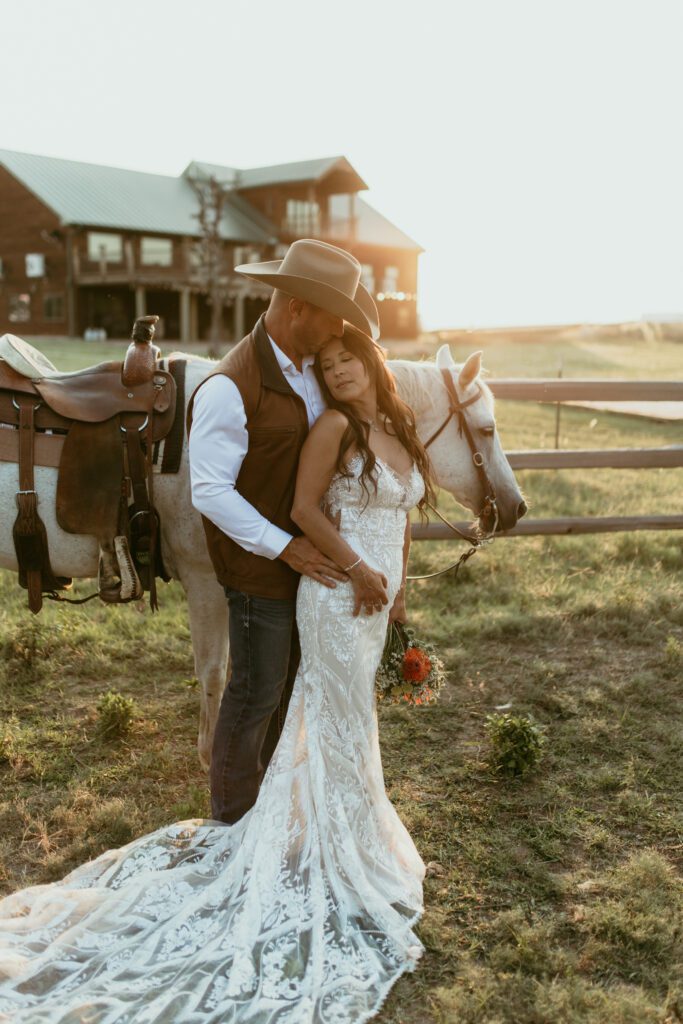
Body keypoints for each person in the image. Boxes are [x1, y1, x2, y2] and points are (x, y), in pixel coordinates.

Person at [0, 319, 435, 1022]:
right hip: (330, 589)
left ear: (370, 359)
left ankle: (348, 839)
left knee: (348, 718)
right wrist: (349, 566)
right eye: (328, 362)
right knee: (298, 703)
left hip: (367, 598)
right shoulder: (286, 408)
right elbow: (266, 501)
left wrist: (397, 591)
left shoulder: (390, 425)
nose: (338, 370)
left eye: (348, 358)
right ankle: (251, 831)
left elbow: (398, 519)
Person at [187, 238, 389, 825]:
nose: (339, 331)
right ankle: (230, 825)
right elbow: (210, 491)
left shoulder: (312, 371)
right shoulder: (231, 385)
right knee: (253, 696)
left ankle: (264, 821)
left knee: (282, 696)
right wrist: (286, 546)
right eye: (334, 316)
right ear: (298, 307)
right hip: (261, 569)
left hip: (310, 568)